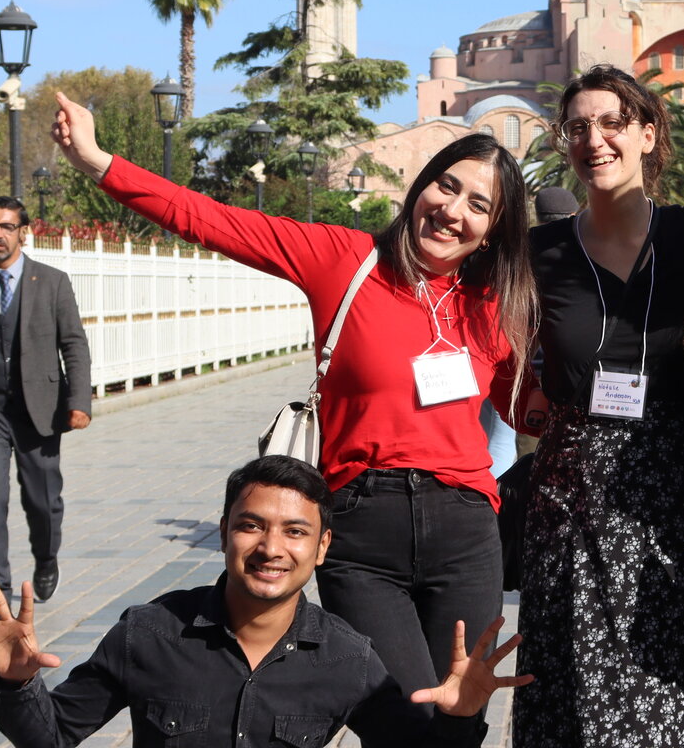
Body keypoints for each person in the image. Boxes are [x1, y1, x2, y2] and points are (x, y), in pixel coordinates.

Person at [49, 95, 535, 741]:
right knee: (403, 724)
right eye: (446, 186)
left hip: (467, 533)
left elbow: (529, 411)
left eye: (479, 205)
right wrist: (98, 162)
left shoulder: (494, 302)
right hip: (364, 536)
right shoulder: (346, 260)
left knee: (463, 717)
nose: (452, 210)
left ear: (494, 230)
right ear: (422, 185)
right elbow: (212, 219)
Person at [0, 456, 531, 747]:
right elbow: (50, 736)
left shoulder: (347, 657)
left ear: (323, 547)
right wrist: (18, 684)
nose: (271, 548)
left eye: (295, 532)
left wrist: (459, 719)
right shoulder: (148, 632)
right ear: (224, 530)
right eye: (252, 526)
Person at [517, 65, 684, 747]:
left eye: (612, 123)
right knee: (570, 684)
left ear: (647, 134)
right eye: (578, 127)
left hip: (679, 490)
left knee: (677, 682)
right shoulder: (540, 251)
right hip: (573, 496)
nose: (594, 140)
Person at [0, 196, 91, 603]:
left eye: (7, 227)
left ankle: (46, 557)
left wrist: (79, 400)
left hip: (38, 409)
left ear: (24, 232)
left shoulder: (53, 282)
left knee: (42, 500)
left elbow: (73, 343)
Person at [480, 187, 582, 475]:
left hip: (499, 361)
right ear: (574, 215)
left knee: (497, 438)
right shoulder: (579, 259)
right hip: (544, 379)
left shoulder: (519, 254)